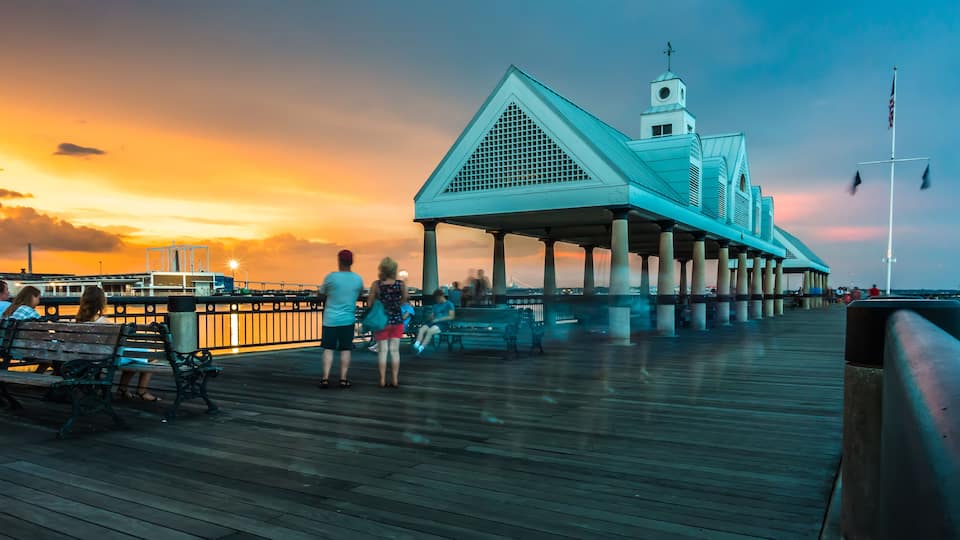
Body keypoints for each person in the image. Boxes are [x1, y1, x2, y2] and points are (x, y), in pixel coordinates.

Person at [75, 285, 160, 401]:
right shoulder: (105, 323)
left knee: (136, 357)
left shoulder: (77, 322)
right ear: (102, 302)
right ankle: (142, 391)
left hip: (86, 357)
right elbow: (117, 344)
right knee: (149, 357)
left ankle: (123, 389)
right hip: (107, 359)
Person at [318, 249, 364, 389]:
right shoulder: (357, 279)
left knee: (328, 349)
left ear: (339, 261)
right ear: (352, 262)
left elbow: (321, 294)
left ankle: (325, 378)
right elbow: (360, 293)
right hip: (347, 319)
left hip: (330, 319)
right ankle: (343, 379)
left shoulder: (331, 277)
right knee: (345, 349)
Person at [368, 257, 407, 388]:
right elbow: (404, 300)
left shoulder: (376, 285)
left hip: (382, 321)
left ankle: (382, 380)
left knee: (383, 351)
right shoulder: (401, 285)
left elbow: (370, 302)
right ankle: (395, 379)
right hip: (397, 320)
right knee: (395, 351)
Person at [413, 289, 455, 354]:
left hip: (443, 324)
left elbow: (451, 317)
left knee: (430, 331)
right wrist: (430, 317)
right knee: (422, 329)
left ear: (442, 296)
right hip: (433, 322)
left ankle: (421, 348)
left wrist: (438, 319)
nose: (437, 300)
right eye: (436, 298)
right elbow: (432, 315)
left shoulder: (449, 304)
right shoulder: (435, 305)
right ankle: (416, 345)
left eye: (438, 298)